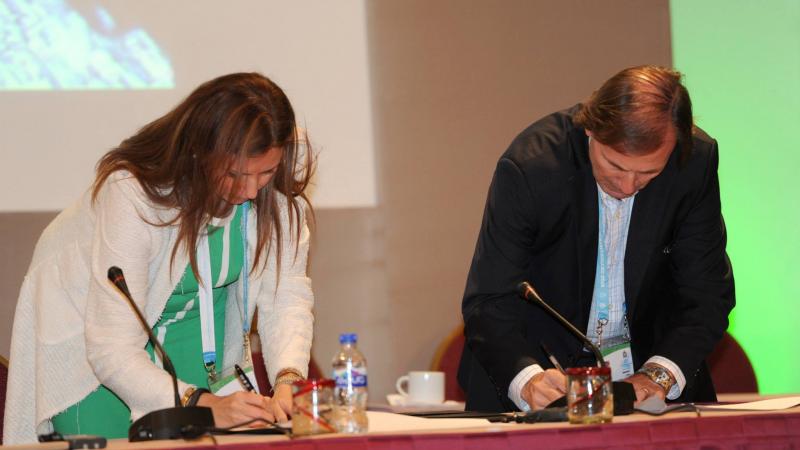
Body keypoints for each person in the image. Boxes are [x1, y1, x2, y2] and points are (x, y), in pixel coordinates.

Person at [4, 72, 316, 443]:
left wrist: (288, 381)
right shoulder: (134, 194)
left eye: (266, 172)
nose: (250, 190)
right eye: (235, 174)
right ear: (201, 152)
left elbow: (286, 299)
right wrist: (201, 403)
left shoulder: (278, 203)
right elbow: (110, 348)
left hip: (195, 355)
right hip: (98, 367)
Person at [458, 65, 735, 412]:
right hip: (541, 379)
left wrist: (659, 374)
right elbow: (489, 299)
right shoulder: (534, 167)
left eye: (649, 173)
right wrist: (528, 379)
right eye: (615, 166)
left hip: (647, 388)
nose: (629, 186)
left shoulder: (694, 163)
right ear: (590, 127)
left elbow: (707, 294)